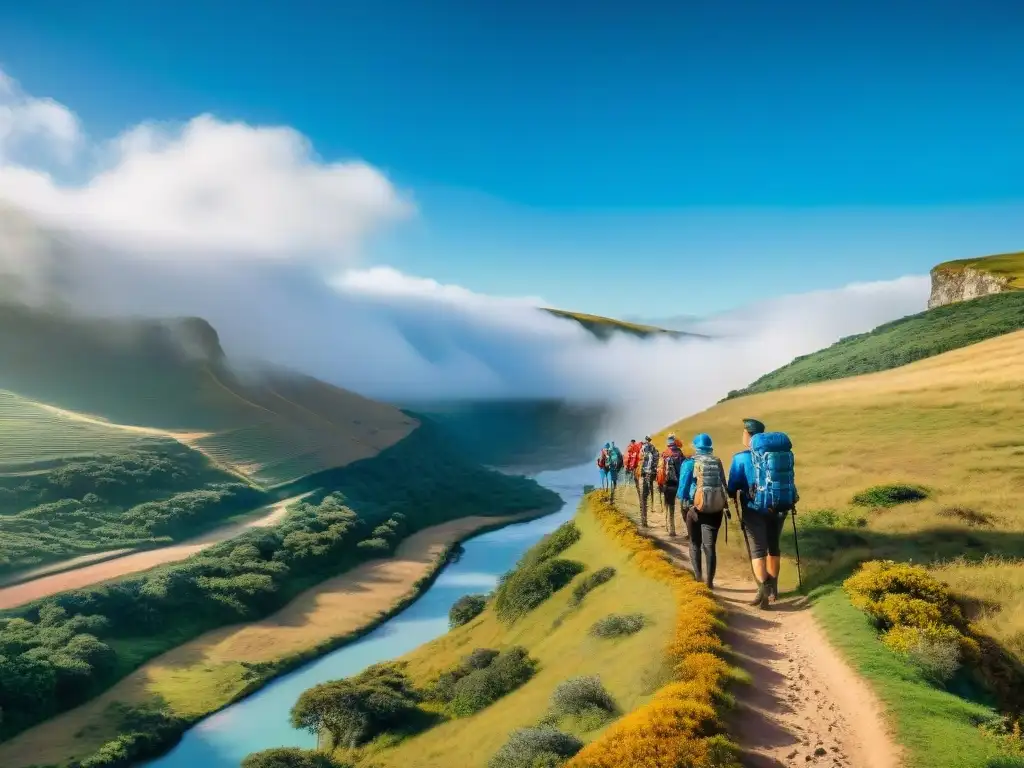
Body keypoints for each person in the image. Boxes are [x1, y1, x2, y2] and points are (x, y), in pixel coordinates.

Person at [728, 418, 794, 609]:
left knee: (758, 550)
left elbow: (733, 485)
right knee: (773, 547)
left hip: (753, 509)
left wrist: (733, 493)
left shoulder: (740, 458)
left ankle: (763, 592)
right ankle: (774, 590)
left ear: (748, 434)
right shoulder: (778, 454)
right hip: (779, 506)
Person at [677, 434, 731, 589]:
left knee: (694, 543)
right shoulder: (717, 461)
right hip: (715, 509)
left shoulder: (689, 463)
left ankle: (698, 578)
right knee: (710, 546)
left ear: (696, 447)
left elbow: (682, 490)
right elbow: (723, 484)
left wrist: (686, 503)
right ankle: (710, 583)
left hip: (695, 510)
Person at [656, 434, 686, 536]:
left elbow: (660, 470)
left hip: (667, 483)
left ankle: (670, 527)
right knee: (681, 505)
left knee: (669, 505)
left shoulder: (664, 453)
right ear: (675, 442)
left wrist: (660, 484)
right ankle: (684, 529)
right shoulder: (680, 453)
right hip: (678, 483)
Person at [638, 436, 659, 527]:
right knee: (651, 489)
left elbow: (640, 460)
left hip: (644, 473)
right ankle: (652, 505)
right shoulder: (653, 448)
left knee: (644, 495)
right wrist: (654, 468)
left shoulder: (642, 448)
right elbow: (656, 459)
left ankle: (644, 520)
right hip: (652, 473)